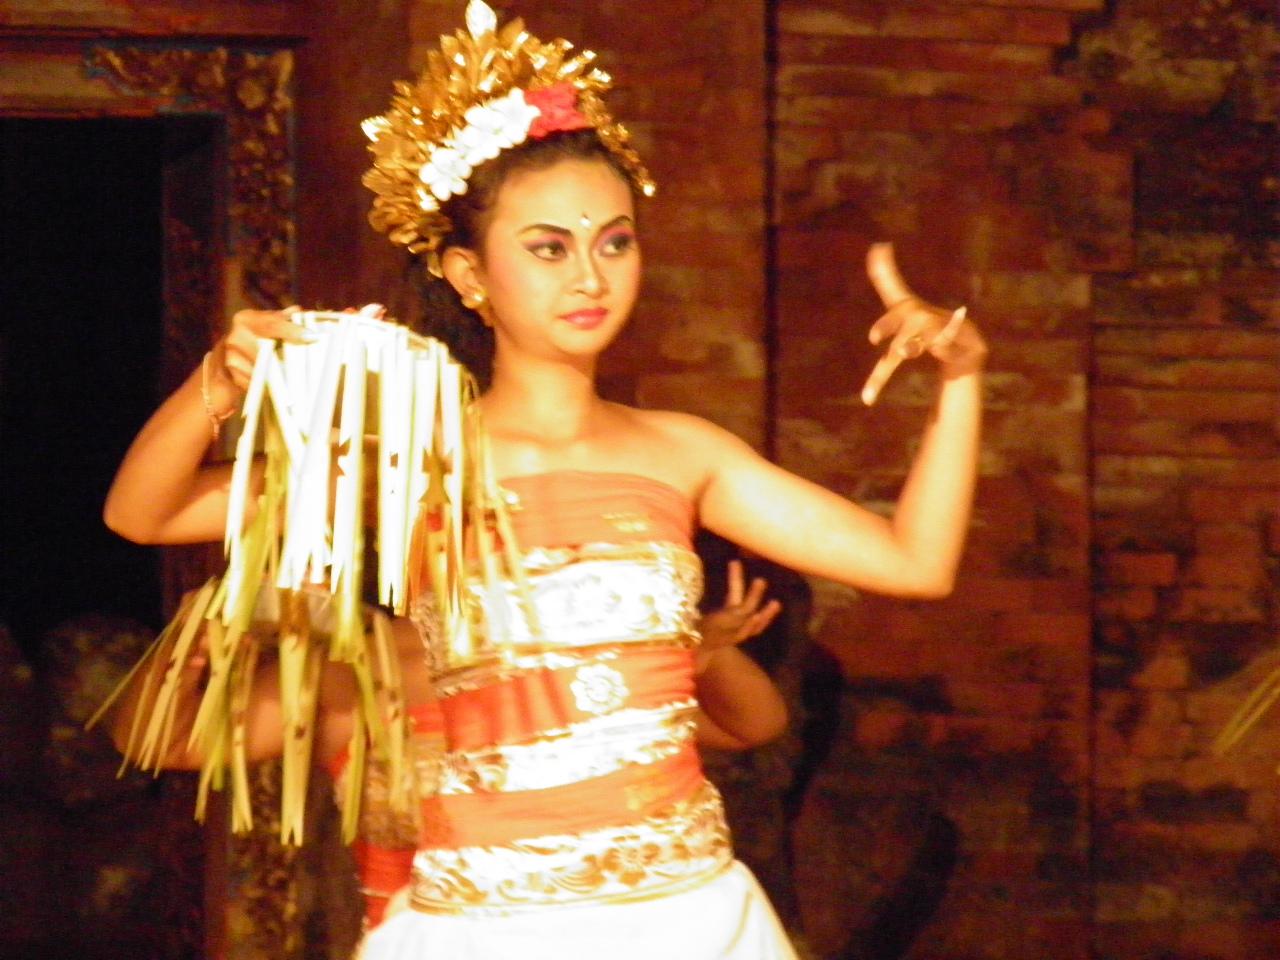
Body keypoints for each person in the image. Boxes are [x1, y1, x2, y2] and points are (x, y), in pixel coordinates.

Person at [104, 2, 985, 957]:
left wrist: (962, 379)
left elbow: (915, 561)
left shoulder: (683, 452)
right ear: (468, 274)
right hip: (486, 927)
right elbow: (143, 513)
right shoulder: (411, 453)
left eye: (615, 241)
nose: (591, 277)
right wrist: (218, 381)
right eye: (549, 248)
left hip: (689, 919)